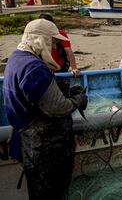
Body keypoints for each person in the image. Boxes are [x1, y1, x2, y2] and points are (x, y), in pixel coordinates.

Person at [2, 19, 88, 199]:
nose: (55, 47)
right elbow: (58, 107)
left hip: (28, 142)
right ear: (41, 40)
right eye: (52, 42)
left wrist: (64, 92)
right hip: (44, 150)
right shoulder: (34, 67)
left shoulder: (16, 58)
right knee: (51, 192)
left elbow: (34, 97)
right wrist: (78, 99)